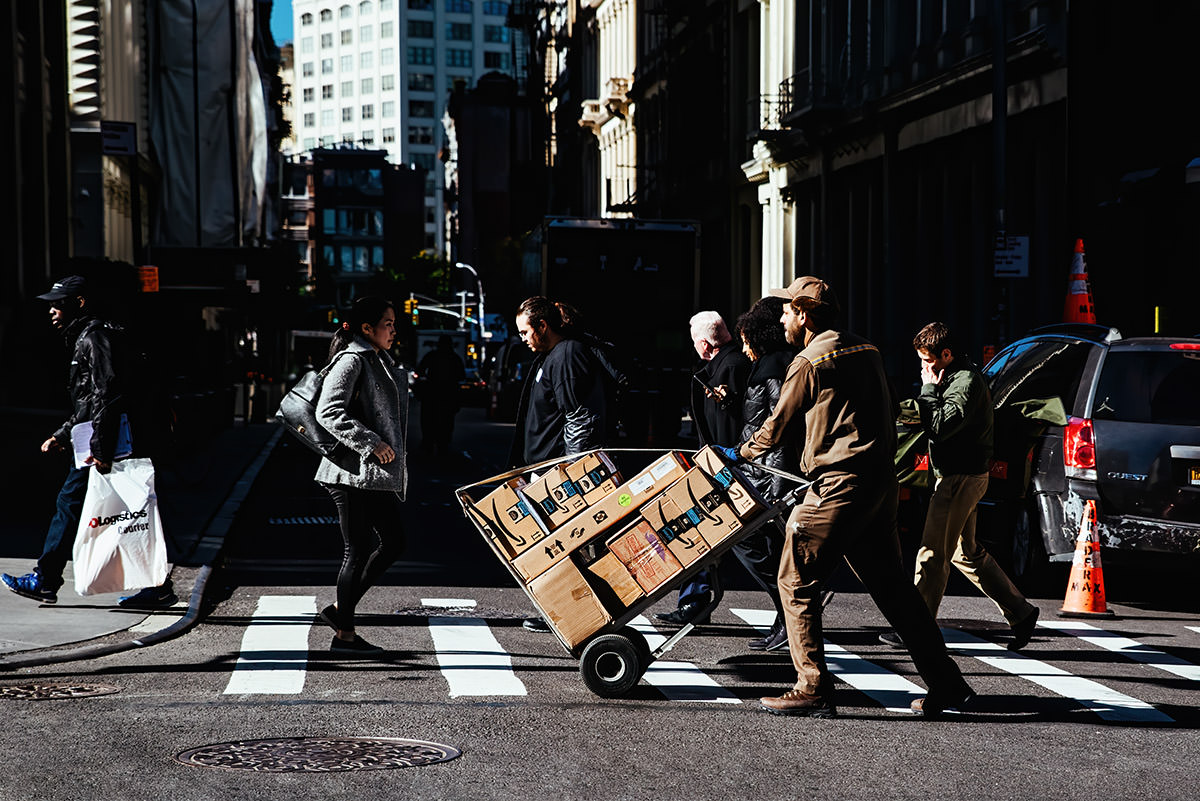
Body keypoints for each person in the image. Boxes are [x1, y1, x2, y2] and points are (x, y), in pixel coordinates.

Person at [733, 276, 974, 718]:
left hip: (838, 484)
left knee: (795, 579)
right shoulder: (866, 348)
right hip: (878, 484)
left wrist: (740, 451)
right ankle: (948, 684)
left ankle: (812, 686)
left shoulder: (808, 360)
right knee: (895, 590)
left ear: (804, 315)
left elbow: (778, 425)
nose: (783, 317)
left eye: (788, 309)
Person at [2, 275, 177, 609]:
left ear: (78, 303)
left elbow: (107, 394)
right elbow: (91, 400)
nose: (52, 310)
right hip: (105, 439)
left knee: (93, 507)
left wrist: (101, 449)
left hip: (109, 443)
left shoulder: (95, 338)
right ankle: (155, 586)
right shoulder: (91, 336)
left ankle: (47, 578)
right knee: (126, 510)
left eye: (58, 303)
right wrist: (63, 433)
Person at [878, 322, 1039, 651]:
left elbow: (939, 426)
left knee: (932, 551)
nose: (924, 367)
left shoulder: (964, 382)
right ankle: (1021, 613)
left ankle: (916, 627)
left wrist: (926, 389)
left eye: (928, 360)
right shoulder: (953, 376)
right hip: (961, 475)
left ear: (946, 354)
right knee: (965, 552)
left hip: (960, 478)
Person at [313, 296, 410, 654]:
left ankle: (340, 611)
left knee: (394, 543)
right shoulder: (352, 360)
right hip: (349, 473)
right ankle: (345, 637)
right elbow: (328, 411)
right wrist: (371, 442)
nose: (393, 330)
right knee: (358, 550)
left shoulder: (378, 360)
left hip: (370, 475)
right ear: (367, 328)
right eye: (388, 323)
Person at [509, 297, 611, 632]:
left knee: (566, 544)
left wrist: (571, 472)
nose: (523, 337)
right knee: (559, 545)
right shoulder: (550, 356)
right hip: (546, 466)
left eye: (526, 330)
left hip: (557, 468)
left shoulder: (566, 355)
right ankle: (568, 610)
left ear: (543, 326)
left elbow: (578, 417)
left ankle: (574, 613)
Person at [655, 311, 751, 626]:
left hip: (725, 468)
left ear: (703, 343)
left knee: (747, 545)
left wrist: (718, 462)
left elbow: (730, 424)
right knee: (696, 530)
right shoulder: (724, 364)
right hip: (719, 465)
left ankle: (694, 604)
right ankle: (693, 602)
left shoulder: (730, 367)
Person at [730, 297, 797, 651]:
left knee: (748, 540)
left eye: (746, 340)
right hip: (759, 470)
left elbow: (779, 429)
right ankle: (784, 615)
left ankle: (790, 607)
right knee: (768, 546)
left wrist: (776, 486)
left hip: (766, 475)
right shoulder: (769, 366)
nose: (743, 348)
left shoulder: (773, 368)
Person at [416, 335, 465, 461]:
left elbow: (420, 370)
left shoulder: (432, 356)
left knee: (429, 420)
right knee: (446, 422)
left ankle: (429, 443)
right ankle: (441, 444)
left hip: (433, 394)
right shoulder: (454, 358)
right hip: (447, 395)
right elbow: (461, 376)